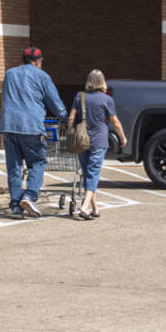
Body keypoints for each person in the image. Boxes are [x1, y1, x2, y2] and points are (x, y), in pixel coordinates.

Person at [0, 46, 67, 218]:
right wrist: (66, 119)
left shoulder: (9, 74)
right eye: (41, 61)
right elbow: (55, 103)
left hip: (8, 125)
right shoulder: (42, 76)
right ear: (37, 61)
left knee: (14, 167)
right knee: (37, 162)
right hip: (31, 126)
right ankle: (29, 196)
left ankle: (15, 206)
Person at [66, 70, 126, 220]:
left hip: (81, 139)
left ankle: (95, 208)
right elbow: (115, 122)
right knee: (93, 173)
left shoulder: (80, 97)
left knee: (88, 173)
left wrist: (70, 132)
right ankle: (85, 207)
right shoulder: (107, 99)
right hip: (99, 140)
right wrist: (123, 138)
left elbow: (71, 118)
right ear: (102, 82)